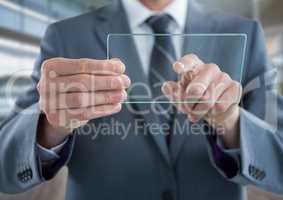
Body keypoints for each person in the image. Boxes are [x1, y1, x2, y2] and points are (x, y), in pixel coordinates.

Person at [0, 0, 283, 200]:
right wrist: (48, 127)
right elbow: (5, 166)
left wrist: (231, 123)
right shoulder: (66, 36)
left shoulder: (245, 32)